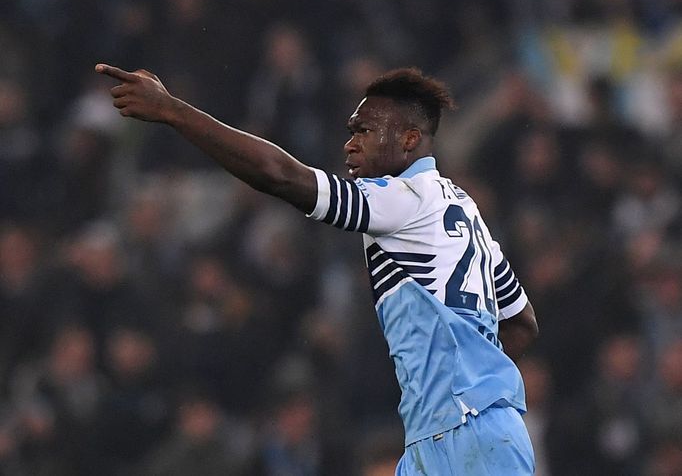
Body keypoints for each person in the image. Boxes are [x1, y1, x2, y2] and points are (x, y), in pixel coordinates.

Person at [95, 62, 539, 474]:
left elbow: (282, 176)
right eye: (350, 131)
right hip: (450, 433)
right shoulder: (462, 209)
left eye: (364, 130)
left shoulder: (403, 198)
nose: (350, 143)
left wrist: (173, 111)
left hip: (467, 437)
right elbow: (521, 322)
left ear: (408, 139)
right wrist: (465, 388)